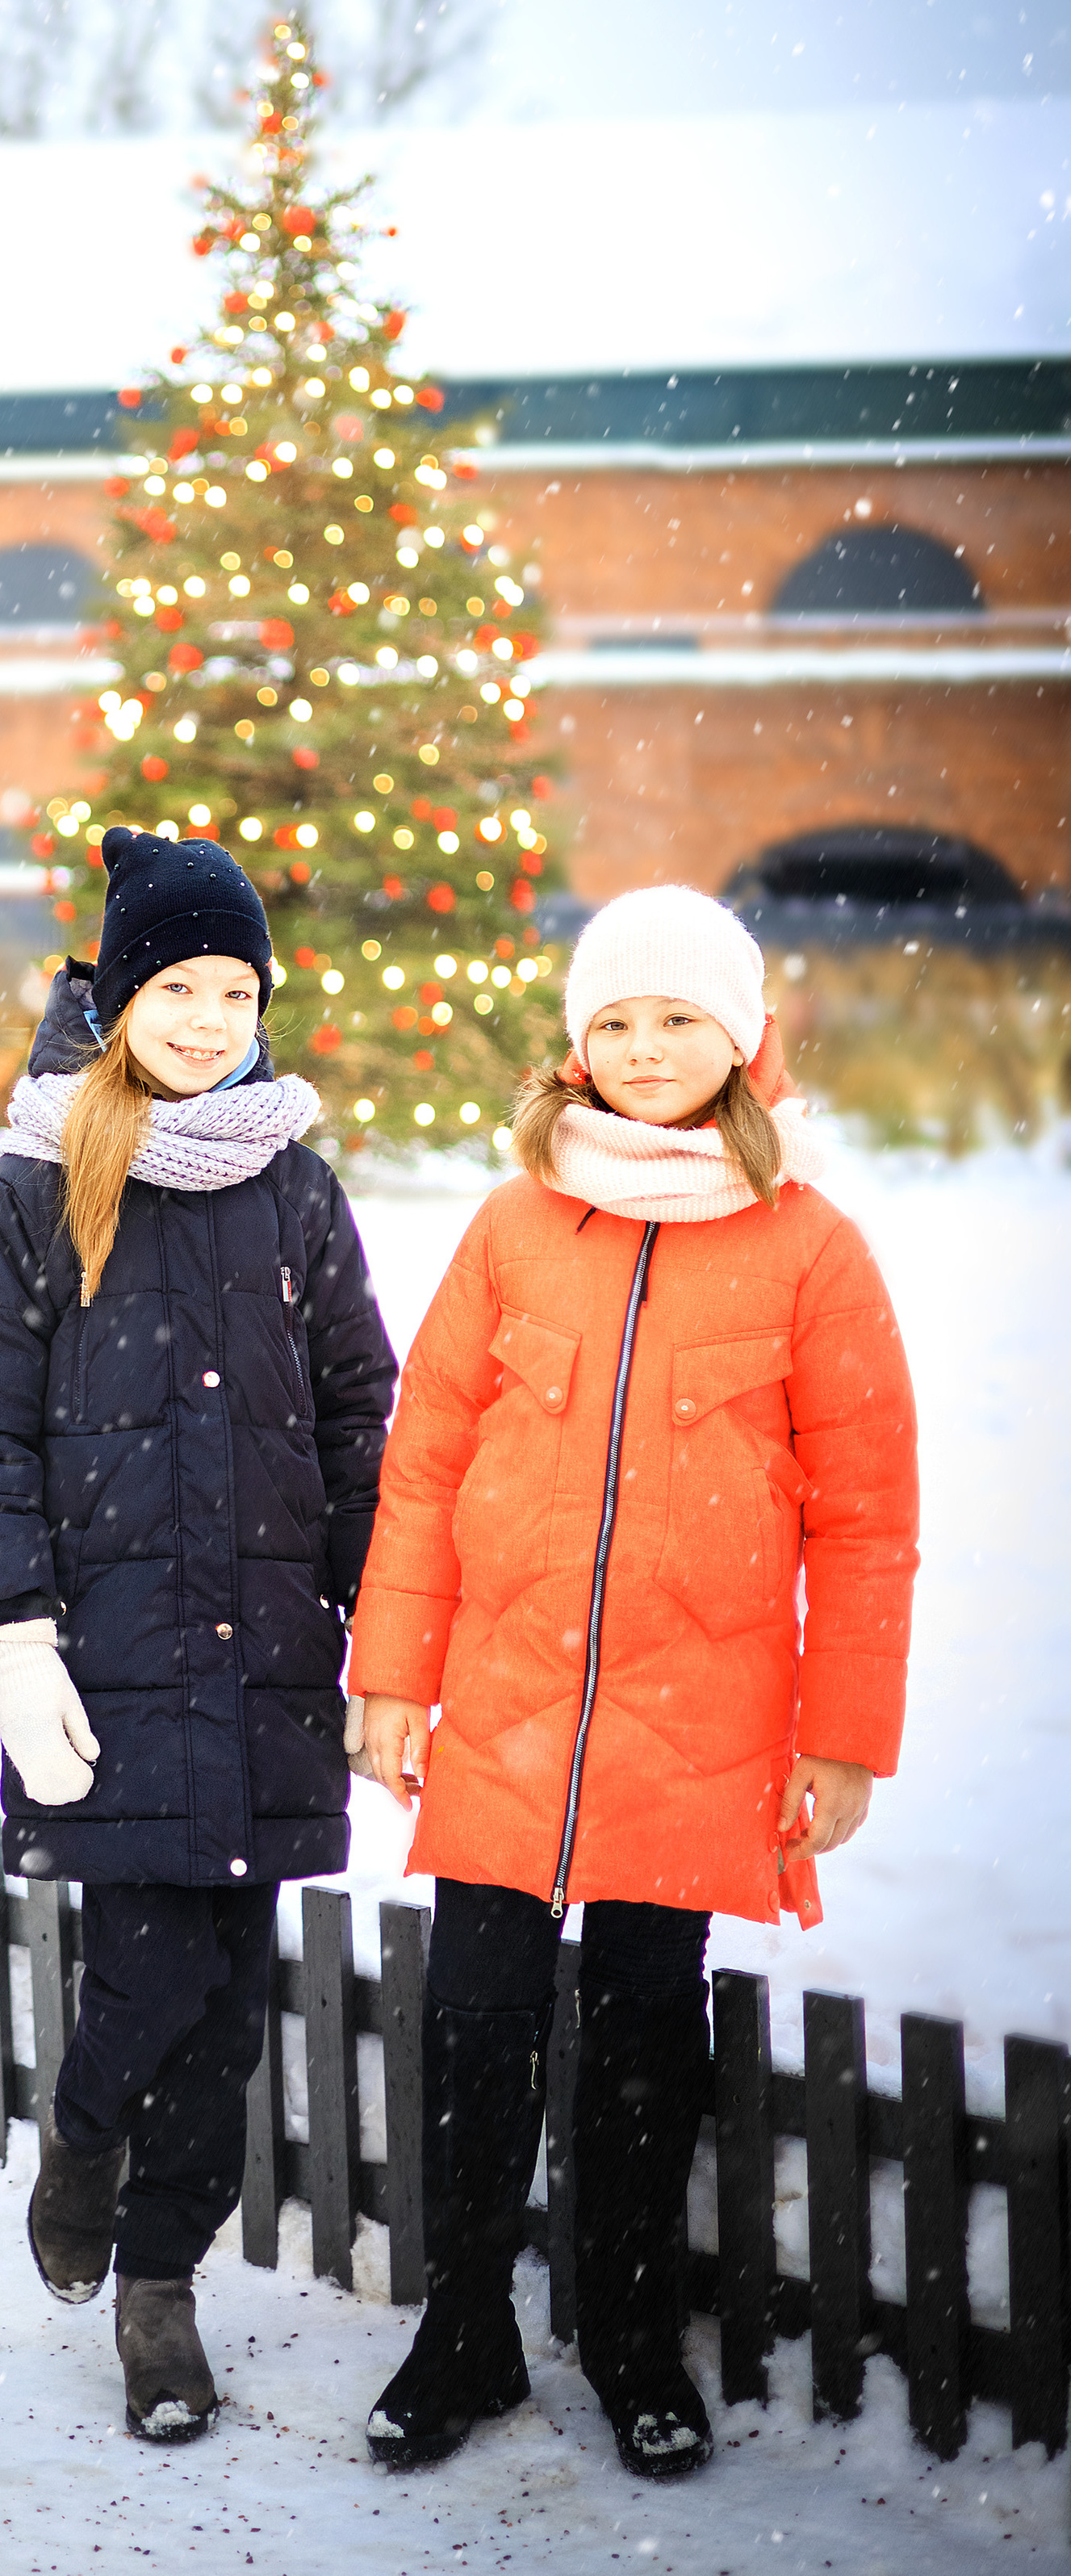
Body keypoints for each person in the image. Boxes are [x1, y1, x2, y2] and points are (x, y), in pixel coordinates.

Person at [348, 884, 919, 2482]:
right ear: (572, 1043)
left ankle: (622, 2333)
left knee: (639, 2032)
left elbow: (867, 1524)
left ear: (740, 1040)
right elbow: (424, 1465)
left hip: (697, 1715)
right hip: (504, 1701)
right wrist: (391, 1676)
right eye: (613, 1020)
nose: (644, 1048)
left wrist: (844, 1740)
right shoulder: (513, 1222)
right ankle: (459, 2325)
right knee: (470, 2020)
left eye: (677, 1019)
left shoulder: (808, 1248)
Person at [0, 828, 398, 2444]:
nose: (204, 1016)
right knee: (148, 1970)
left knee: (234, 2000)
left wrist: (377, 1629)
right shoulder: (33, 1190)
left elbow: (358, 1412)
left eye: (231, 988)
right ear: (117, 995)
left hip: (267, 1650)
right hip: (102, 1666)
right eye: (174, 985)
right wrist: (10, 1630)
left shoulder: (294, 1184)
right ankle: (76, 2134)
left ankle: (158, 2297)